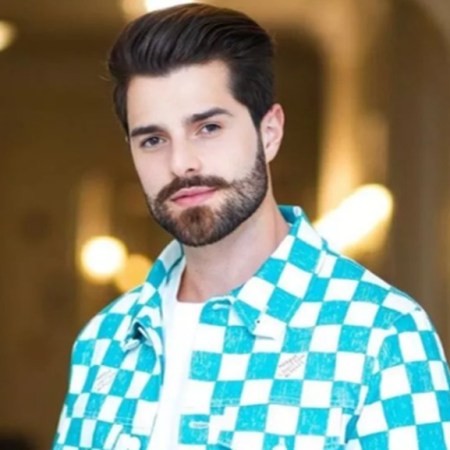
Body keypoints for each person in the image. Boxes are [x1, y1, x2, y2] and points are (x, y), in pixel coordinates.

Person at [53, 3, 450, 449]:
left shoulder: (384, 336)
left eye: (208, 128)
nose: (181, 163)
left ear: (270, 132)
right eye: (153, 139)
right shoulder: (103, 342)